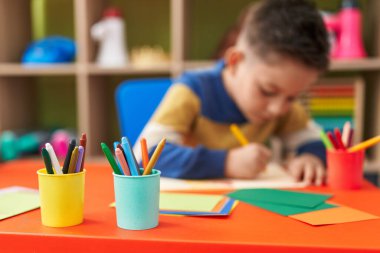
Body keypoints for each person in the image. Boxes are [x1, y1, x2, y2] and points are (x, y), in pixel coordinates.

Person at [133, 0, 330, 186]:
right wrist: (226, 163)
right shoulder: (191, 91)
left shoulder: (282, 103)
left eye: (292, 97)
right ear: (235, 61)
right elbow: (144, 155)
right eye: (267, 91)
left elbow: (319, 142)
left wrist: (311, 157)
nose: (278, 108)